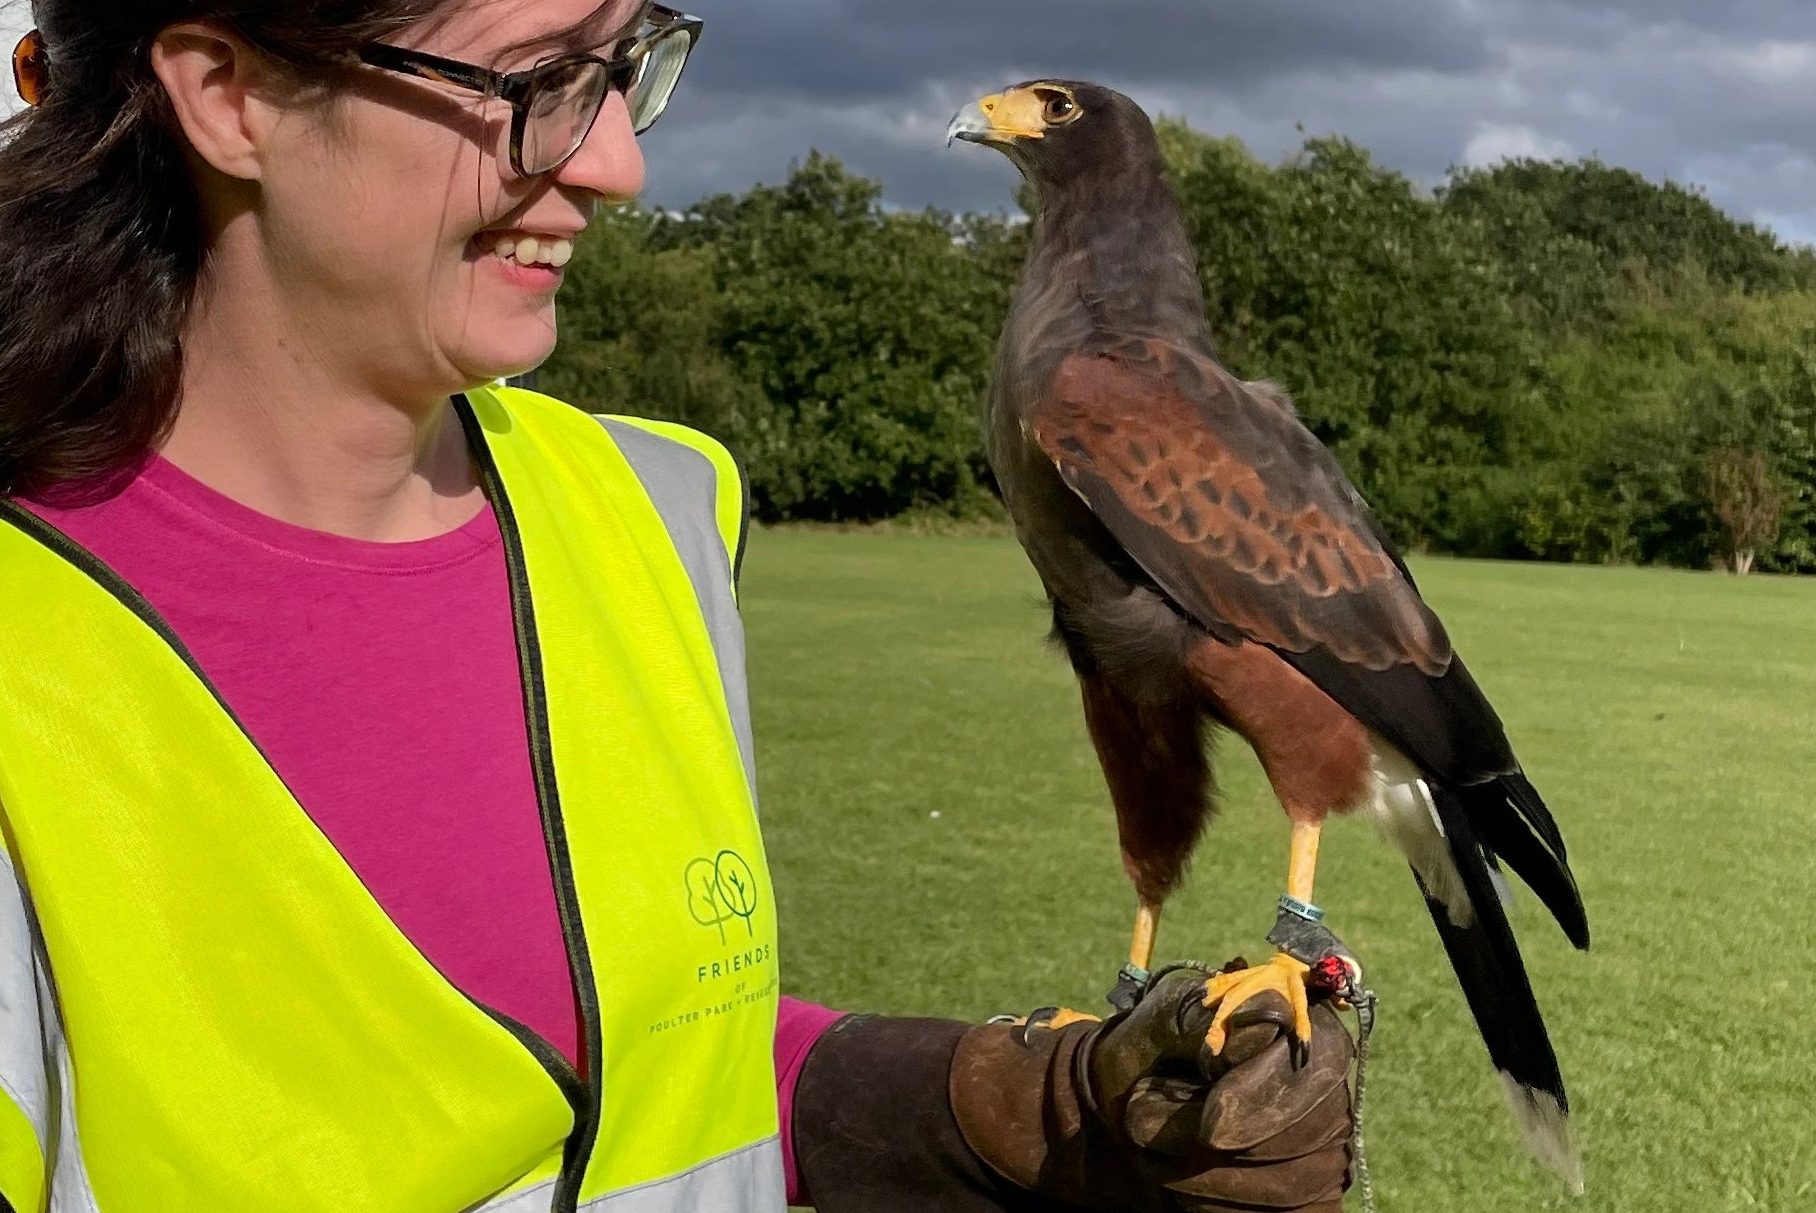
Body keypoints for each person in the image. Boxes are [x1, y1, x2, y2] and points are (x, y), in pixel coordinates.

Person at [0, 2, 1355, 1210]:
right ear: (227, 92)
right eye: (535, 81)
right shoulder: (31, 644)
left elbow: (660, 1065)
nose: (613, 162)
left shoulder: (650, 511)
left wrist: (1012, 1108)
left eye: (624, 67)